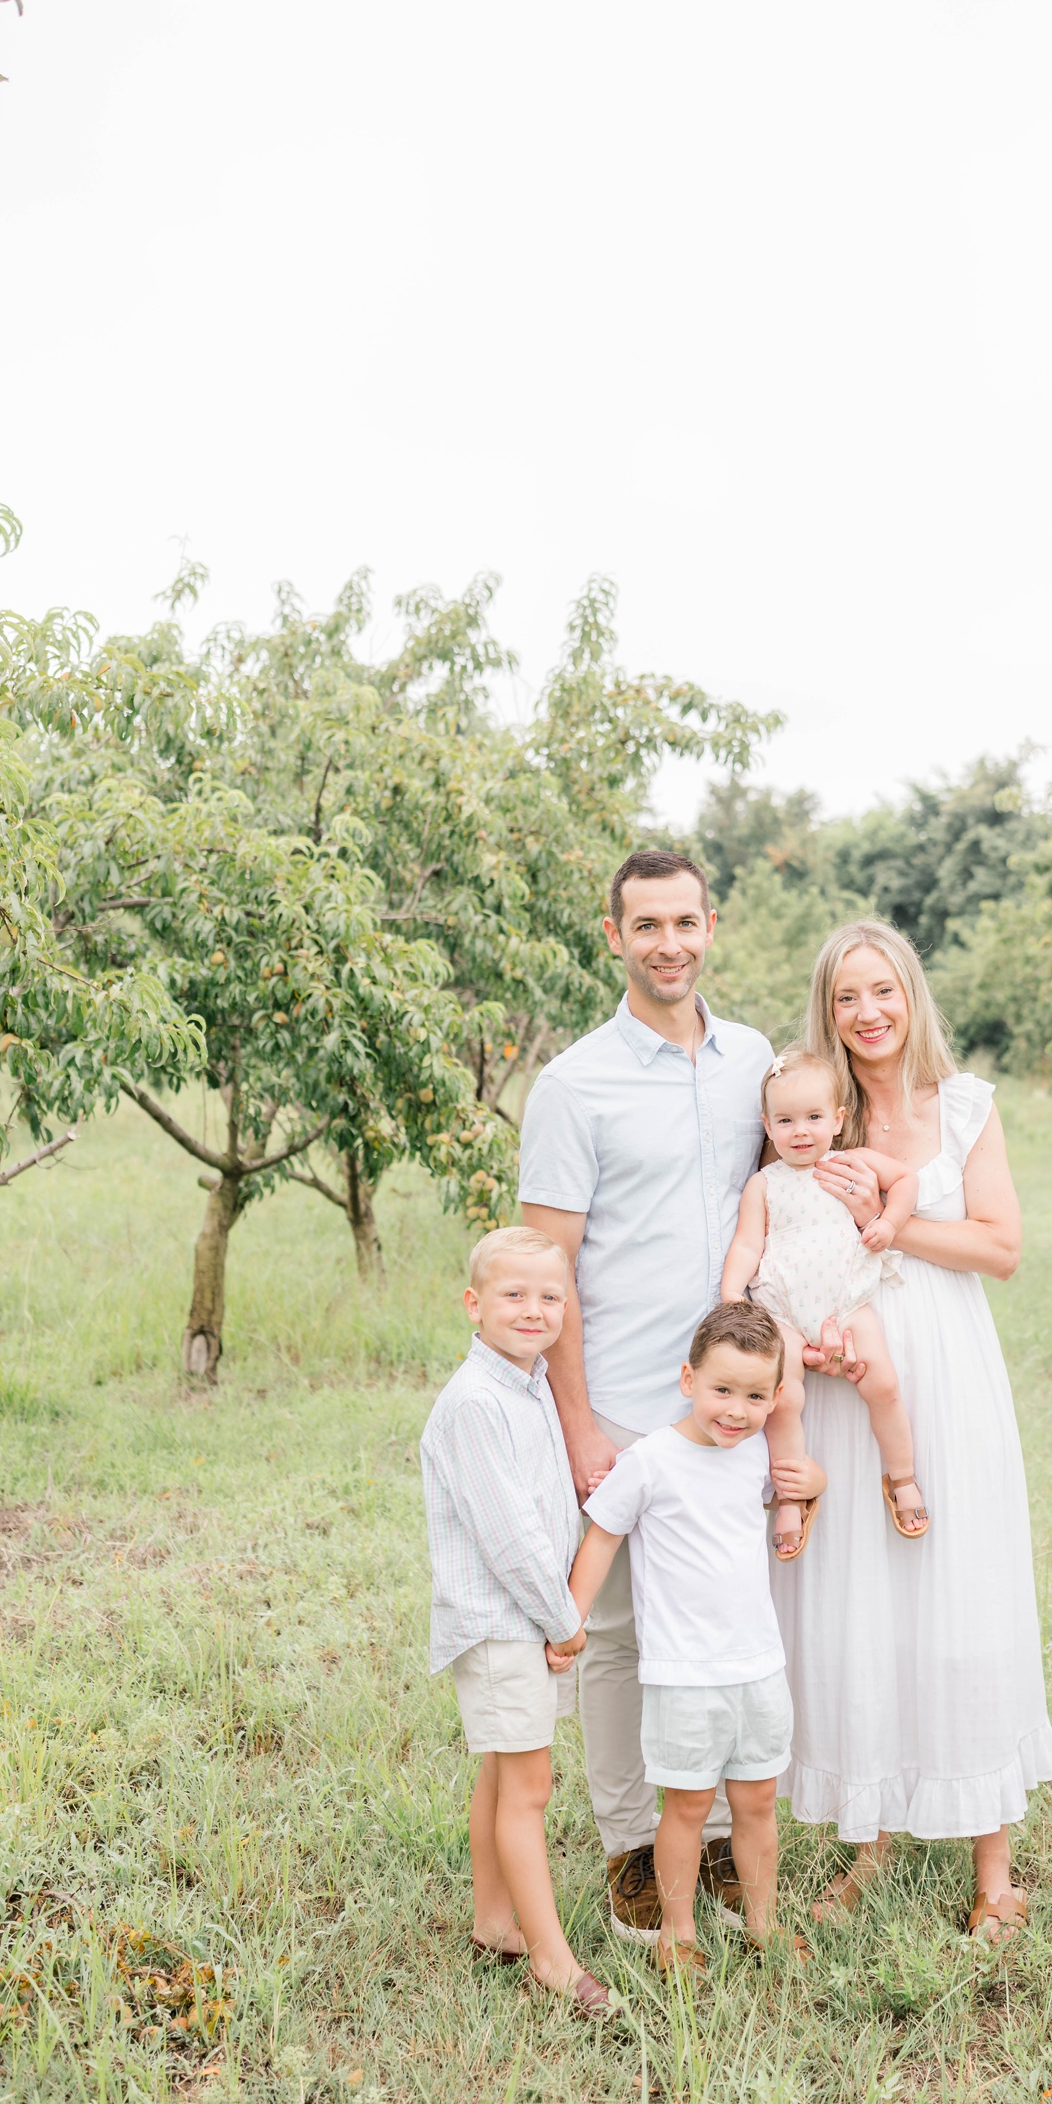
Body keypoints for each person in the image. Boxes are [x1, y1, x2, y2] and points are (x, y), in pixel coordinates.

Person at [518, 848, 821, 1943]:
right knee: (615, 1633)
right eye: (646, 924)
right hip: (625, 1404)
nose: (669, 943)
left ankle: (727, 1840)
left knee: (726, 1612)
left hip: (731, 1400)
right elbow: (546, 1268)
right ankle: (632, 1846)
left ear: (710, 925)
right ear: (613, 936)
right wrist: (578, 1420)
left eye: (685, 921)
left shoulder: (751, 1059)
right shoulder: (572, 1083)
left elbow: (796, 1170)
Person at [771, 920, 1052, 1943]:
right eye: (847, 994)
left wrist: (893, 1227)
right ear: (828, 1008)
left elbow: (1000, 1246)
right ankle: (871, 1838)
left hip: (944, 1362)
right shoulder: (814, 1112)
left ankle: (993, 1866)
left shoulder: (964, 1104)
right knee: (859, 1596)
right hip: (847, 1376)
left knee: (961, 1587)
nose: (866, 1011)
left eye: (882, 989)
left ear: (910, 995)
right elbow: (770, 1231)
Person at [567, 1301, 820, 1975]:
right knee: (685, 1806)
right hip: (683, 1674)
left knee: (758, 1801)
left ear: (773, 1396)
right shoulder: (651, 1460)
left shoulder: (756, 1455)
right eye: (722, 1390)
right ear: (688, 1378)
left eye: (755, 1395)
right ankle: (678, 1931)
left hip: (758, 1666)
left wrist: (813, 1482)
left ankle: (762, 1920)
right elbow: (601, 1538)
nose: (736, 1409)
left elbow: (795, 1489)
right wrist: (571, 1617)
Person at [418, 1225, 611, 2018]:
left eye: (550, 1296)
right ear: (474, 1303)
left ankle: (495, 1919)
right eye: (513, 1294)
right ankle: (551, 1956)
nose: (533, 1310)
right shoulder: (475, 1403)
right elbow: (510, 1536)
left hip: (525, 1617)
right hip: (506, 1620)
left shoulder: (527, 1387)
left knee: (504, 1771)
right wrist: (564, 1617)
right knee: (530, 1785)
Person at [721, 1047, 926, 1559]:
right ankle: (792, 1494)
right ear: (767, 1126)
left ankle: (902, 1478)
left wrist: (888, 1221)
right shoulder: (763, 1184)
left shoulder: (849, 1164)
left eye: (814, 1118)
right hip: (783, 1310)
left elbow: (906, 1179)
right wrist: (731, 1295)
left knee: (884, 1384)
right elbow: (748, 1244)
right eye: (786, 1120)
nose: (801, 1131)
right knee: (782, 1400)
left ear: (837, 1120)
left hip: (846, 1301)